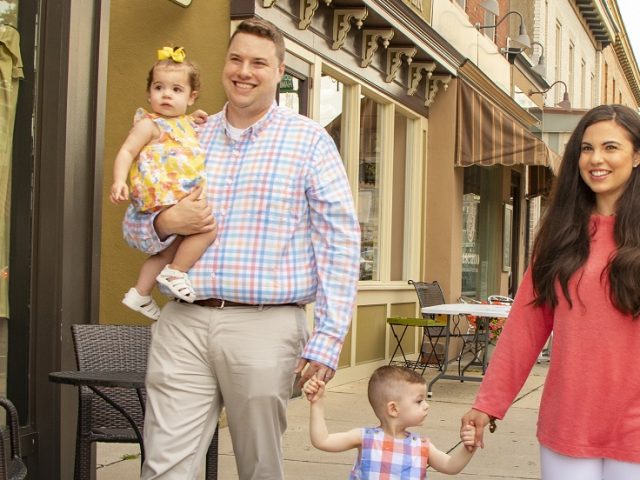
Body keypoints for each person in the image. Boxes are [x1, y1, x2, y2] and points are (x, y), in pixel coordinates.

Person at [122, 18, 361, 480]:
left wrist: (329, 338)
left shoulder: (308, 141)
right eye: (236, 59)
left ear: (280, 71)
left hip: (265, 327)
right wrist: (167, 221)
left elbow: (340, 245)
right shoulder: (184, 134)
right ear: (223, 65)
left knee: (258, 467)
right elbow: (134, 227)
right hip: (183, 322)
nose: (244, 71)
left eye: (258, 62)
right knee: (164, 465)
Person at [461, 104, 640, 480]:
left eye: (610, 147)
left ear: (637, 155)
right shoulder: (560, 235)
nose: (595, 159)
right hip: (570, 421)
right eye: (586, 149)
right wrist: (489, 403)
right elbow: (526, 327)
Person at [110, 46, 216, 320]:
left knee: (167, 249)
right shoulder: (148, 124)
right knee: (207, 230)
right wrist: (119, 180)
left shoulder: (183, 123)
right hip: (163, 196)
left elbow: (180, 130)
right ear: (149, 93)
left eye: (176, 90)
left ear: (191, 97)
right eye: (159, 87)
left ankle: (140, 293)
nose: (166, 94)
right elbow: (126, 151)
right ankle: (175, 272)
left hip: (175, 199)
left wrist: (192, 119)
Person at [303, 365, 477, 478]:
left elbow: (450, 466)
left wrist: (469, 447)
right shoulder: (365, 438)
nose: (427, 406)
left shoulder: (422, 446)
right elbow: (322, 441)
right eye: (419, 401)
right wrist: (317, 403)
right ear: (393, 408)